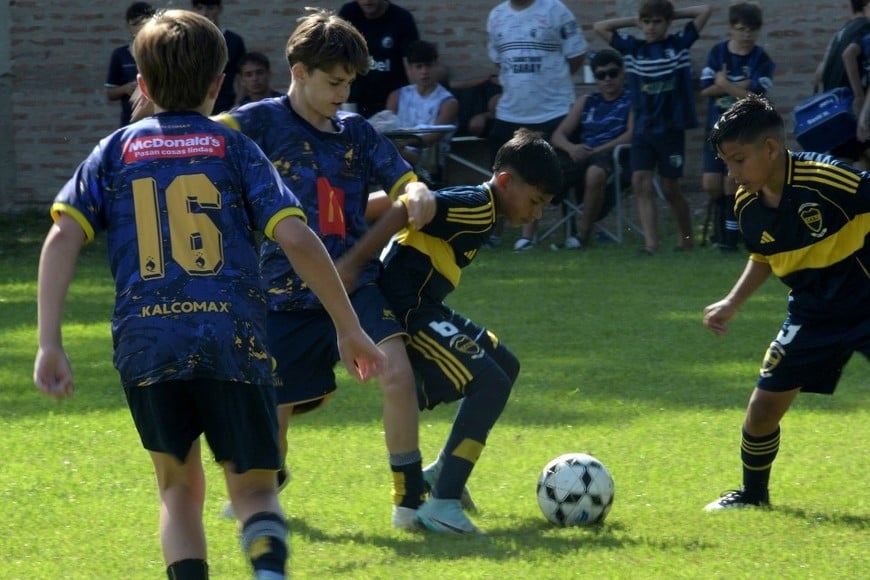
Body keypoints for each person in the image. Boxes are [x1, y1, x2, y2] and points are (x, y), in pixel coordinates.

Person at [33, 10, 385, 578]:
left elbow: (62, 234)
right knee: (254, 492)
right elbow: (297, 236)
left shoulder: (115, 151)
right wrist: (350, 327)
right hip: (234, 341)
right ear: (218, 85)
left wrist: (49, 341)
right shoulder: (234, 148)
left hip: (148, 347)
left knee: (178, 492)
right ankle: (269, 570)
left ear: (142, 85)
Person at [213, 8, 435, 530]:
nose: (342, 93)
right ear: (299, 73)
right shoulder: (257, 122)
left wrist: (417, 191)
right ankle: (270, 479)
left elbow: (404, 180)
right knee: (277, 411)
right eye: (334, 82)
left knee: (397, 374)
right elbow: (203, 135)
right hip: (283, 293)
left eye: (349, 84)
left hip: (355, 280)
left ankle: (410, 499)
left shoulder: (356, 131)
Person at [335, 128, 563, 533]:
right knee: (489, 382)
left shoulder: (485, 209)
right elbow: (405, 208)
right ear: (507, 182)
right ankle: (442, 503)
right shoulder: (477, 206)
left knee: (504, 364)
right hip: (406, 310)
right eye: (535, 202)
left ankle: (443, 475)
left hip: (425, 306)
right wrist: (353, 263)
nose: (536, 214)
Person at [701, 93, 870, 511]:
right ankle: (753, 496)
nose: (731, 173)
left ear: (772, 149)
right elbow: (764, 255)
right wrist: (732, 301)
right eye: (726, 162)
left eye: (738, 160)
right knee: (762, 409)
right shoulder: (747, 205)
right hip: (812, 313)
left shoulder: (829, 180)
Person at [594, 1, 713, 254]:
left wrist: (670, 13)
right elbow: (600, 26)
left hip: (671, 128)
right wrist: (635, 20)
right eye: (646, 22)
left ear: (667, 23)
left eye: (657, 22)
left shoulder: (678, 44)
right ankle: (651, 244)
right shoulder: (632, 48)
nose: (650, 27)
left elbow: (704, 11)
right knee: (640, 181)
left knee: (671, 188)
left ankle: (687, 238)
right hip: (643, 129)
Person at [487, 0, 588, 251]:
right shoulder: (496, 16)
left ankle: (564, 231)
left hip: (553, 111)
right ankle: (493, 233)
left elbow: (576, 57)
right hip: (510, 113)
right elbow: (500, 63)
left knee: (553, 175)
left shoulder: (556, 11)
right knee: (500, 175)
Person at [700, 1, 774, 252]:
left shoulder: (762, 58)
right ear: (731, 28)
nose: (746, 34)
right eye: (741, 28)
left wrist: (724, 83)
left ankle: (729, 239)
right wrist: (739, 86)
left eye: (751, 29)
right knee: (711, 184)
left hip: (744, 132)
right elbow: (705, 90)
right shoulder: (717, 52)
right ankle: (728, 228)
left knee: (732, 182)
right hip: (716, 128)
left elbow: (757, 98)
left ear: (758, 30)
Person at [549, 48, 633, 250]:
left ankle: (583, 236)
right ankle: (527, 239)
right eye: (601, 75)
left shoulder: (632, 100)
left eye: (613, 73)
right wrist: (571, 148)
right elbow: (557, 136)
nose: (607, 79)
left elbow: (630, 135)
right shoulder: (586, 101)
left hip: (611, 154)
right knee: (539, 169)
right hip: (580, 153)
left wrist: (597, 151)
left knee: (595, 173)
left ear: (622, 74)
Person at [386, 40, 458, 186]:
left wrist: (399, 144)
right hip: (397, 158)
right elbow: (385, 126)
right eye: (419, 66)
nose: (424, 71)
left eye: (428, 66)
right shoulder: (397, 96)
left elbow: (431, 139)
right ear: (410, 69)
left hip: (428, 166)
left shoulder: (448, 102)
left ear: (437, 66)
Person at [338, 0, 420, 119]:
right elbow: (335, 56)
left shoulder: (402, 18)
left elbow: (412, 64)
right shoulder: (349, 13)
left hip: (392, 103)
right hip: (355, 100)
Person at [817, 0, 870, 166]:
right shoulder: (865, 27)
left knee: (848, 160)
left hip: (835, 108)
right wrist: (859, 96)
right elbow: (848, 55)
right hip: (852, 105)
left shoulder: (842, 31)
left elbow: (819, 73)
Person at [191, 0, 246, 114]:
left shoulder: (234, 40)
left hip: (226, 105)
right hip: (192, 105)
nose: (205, 13)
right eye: (200, 8)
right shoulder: (187, 40)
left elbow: (242, 75)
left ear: (219, 9)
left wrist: (238, 102)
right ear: (193, 10)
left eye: (210, 8)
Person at [104, 2, 154, 127]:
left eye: (146, 24)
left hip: (157, 121)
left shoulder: (162, 53)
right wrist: (125, 88)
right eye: (136, 24)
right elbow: (110, 92)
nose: (140, 29)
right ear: (128, 26)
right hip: (130, 122)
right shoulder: (120, 54)